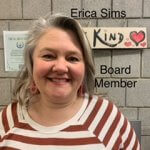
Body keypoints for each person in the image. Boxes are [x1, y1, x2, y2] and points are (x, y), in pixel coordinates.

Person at [0, 13, 140, 150]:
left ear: (85, 67)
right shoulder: (7, 121)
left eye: (73, 58)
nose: (60, 67)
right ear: (31, 63)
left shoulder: (108, 117)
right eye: (48, 56)